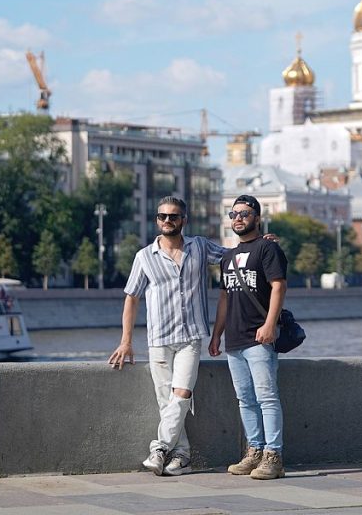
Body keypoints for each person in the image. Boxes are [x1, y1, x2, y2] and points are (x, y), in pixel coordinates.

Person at [108, 196, 227, 477]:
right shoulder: (144, 257)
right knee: (168, 402)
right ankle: (182, 456)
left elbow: (232, 256)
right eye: (162, 216)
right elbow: (131, 298)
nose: (167, 221)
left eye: (173, 216)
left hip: (191, 337)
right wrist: (126, 341)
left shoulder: (199, 246)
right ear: (156, 220)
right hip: (159, 339)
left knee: (182, 392)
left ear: (183, 220)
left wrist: (260, 241)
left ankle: (159, 448)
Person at [209, 194, 289, 480]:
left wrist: (270, 325)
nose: (238, 218)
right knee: (245, 399)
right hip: (234, 339)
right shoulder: (227, 257)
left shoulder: (268, 249)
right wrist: (216, 335)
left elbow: (278, 287)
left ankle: (273, 456)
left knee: (267, 397)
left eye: (244, 213)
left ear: (257, 217)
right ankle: (254, 451)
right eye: (233, 214)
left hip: (259, 337)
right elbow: (224, 299)